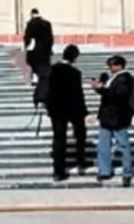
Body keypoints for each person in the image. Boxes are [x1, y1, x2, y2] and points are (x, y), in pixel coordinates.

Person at [91, 55, 134, 187]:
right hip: (107, 117)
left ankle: (127, 172)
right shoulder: (113, 78)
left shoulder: (124, 79)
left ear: (119, 65)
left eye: (112, 65)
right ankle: (105, 171)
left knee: (123, 145)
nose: (110, 68)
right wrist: (100, 89)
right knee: (103, 145)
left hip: (118, 118)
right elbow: (109, 95)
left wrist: (102, 89)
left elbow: (118, 96)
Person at [46, 45, 89, 182]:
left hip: (56, 110)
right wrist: (84, 111)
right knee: (80, 135)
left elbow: (47, 90)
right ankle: (81, 162)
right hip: (73, 109)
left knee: (59, 138)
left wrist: (49, 107)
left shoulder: (52, 70)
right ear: (75, 58)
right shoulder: (75, 73)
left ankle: (58, 171)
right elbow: (78, 94)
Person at [24, 8, 55, 105]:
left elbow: (27, 37)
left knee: (35, 66)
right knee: (44, 69)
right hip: (45, 50)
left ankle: (35, 79)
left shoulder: (31, 24)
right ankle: (44, 84)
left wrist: (26, 46)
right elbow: (50, 38)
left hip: (35, 50)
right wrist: (49, 48)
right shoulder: (47, 23)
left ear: (32, 14)